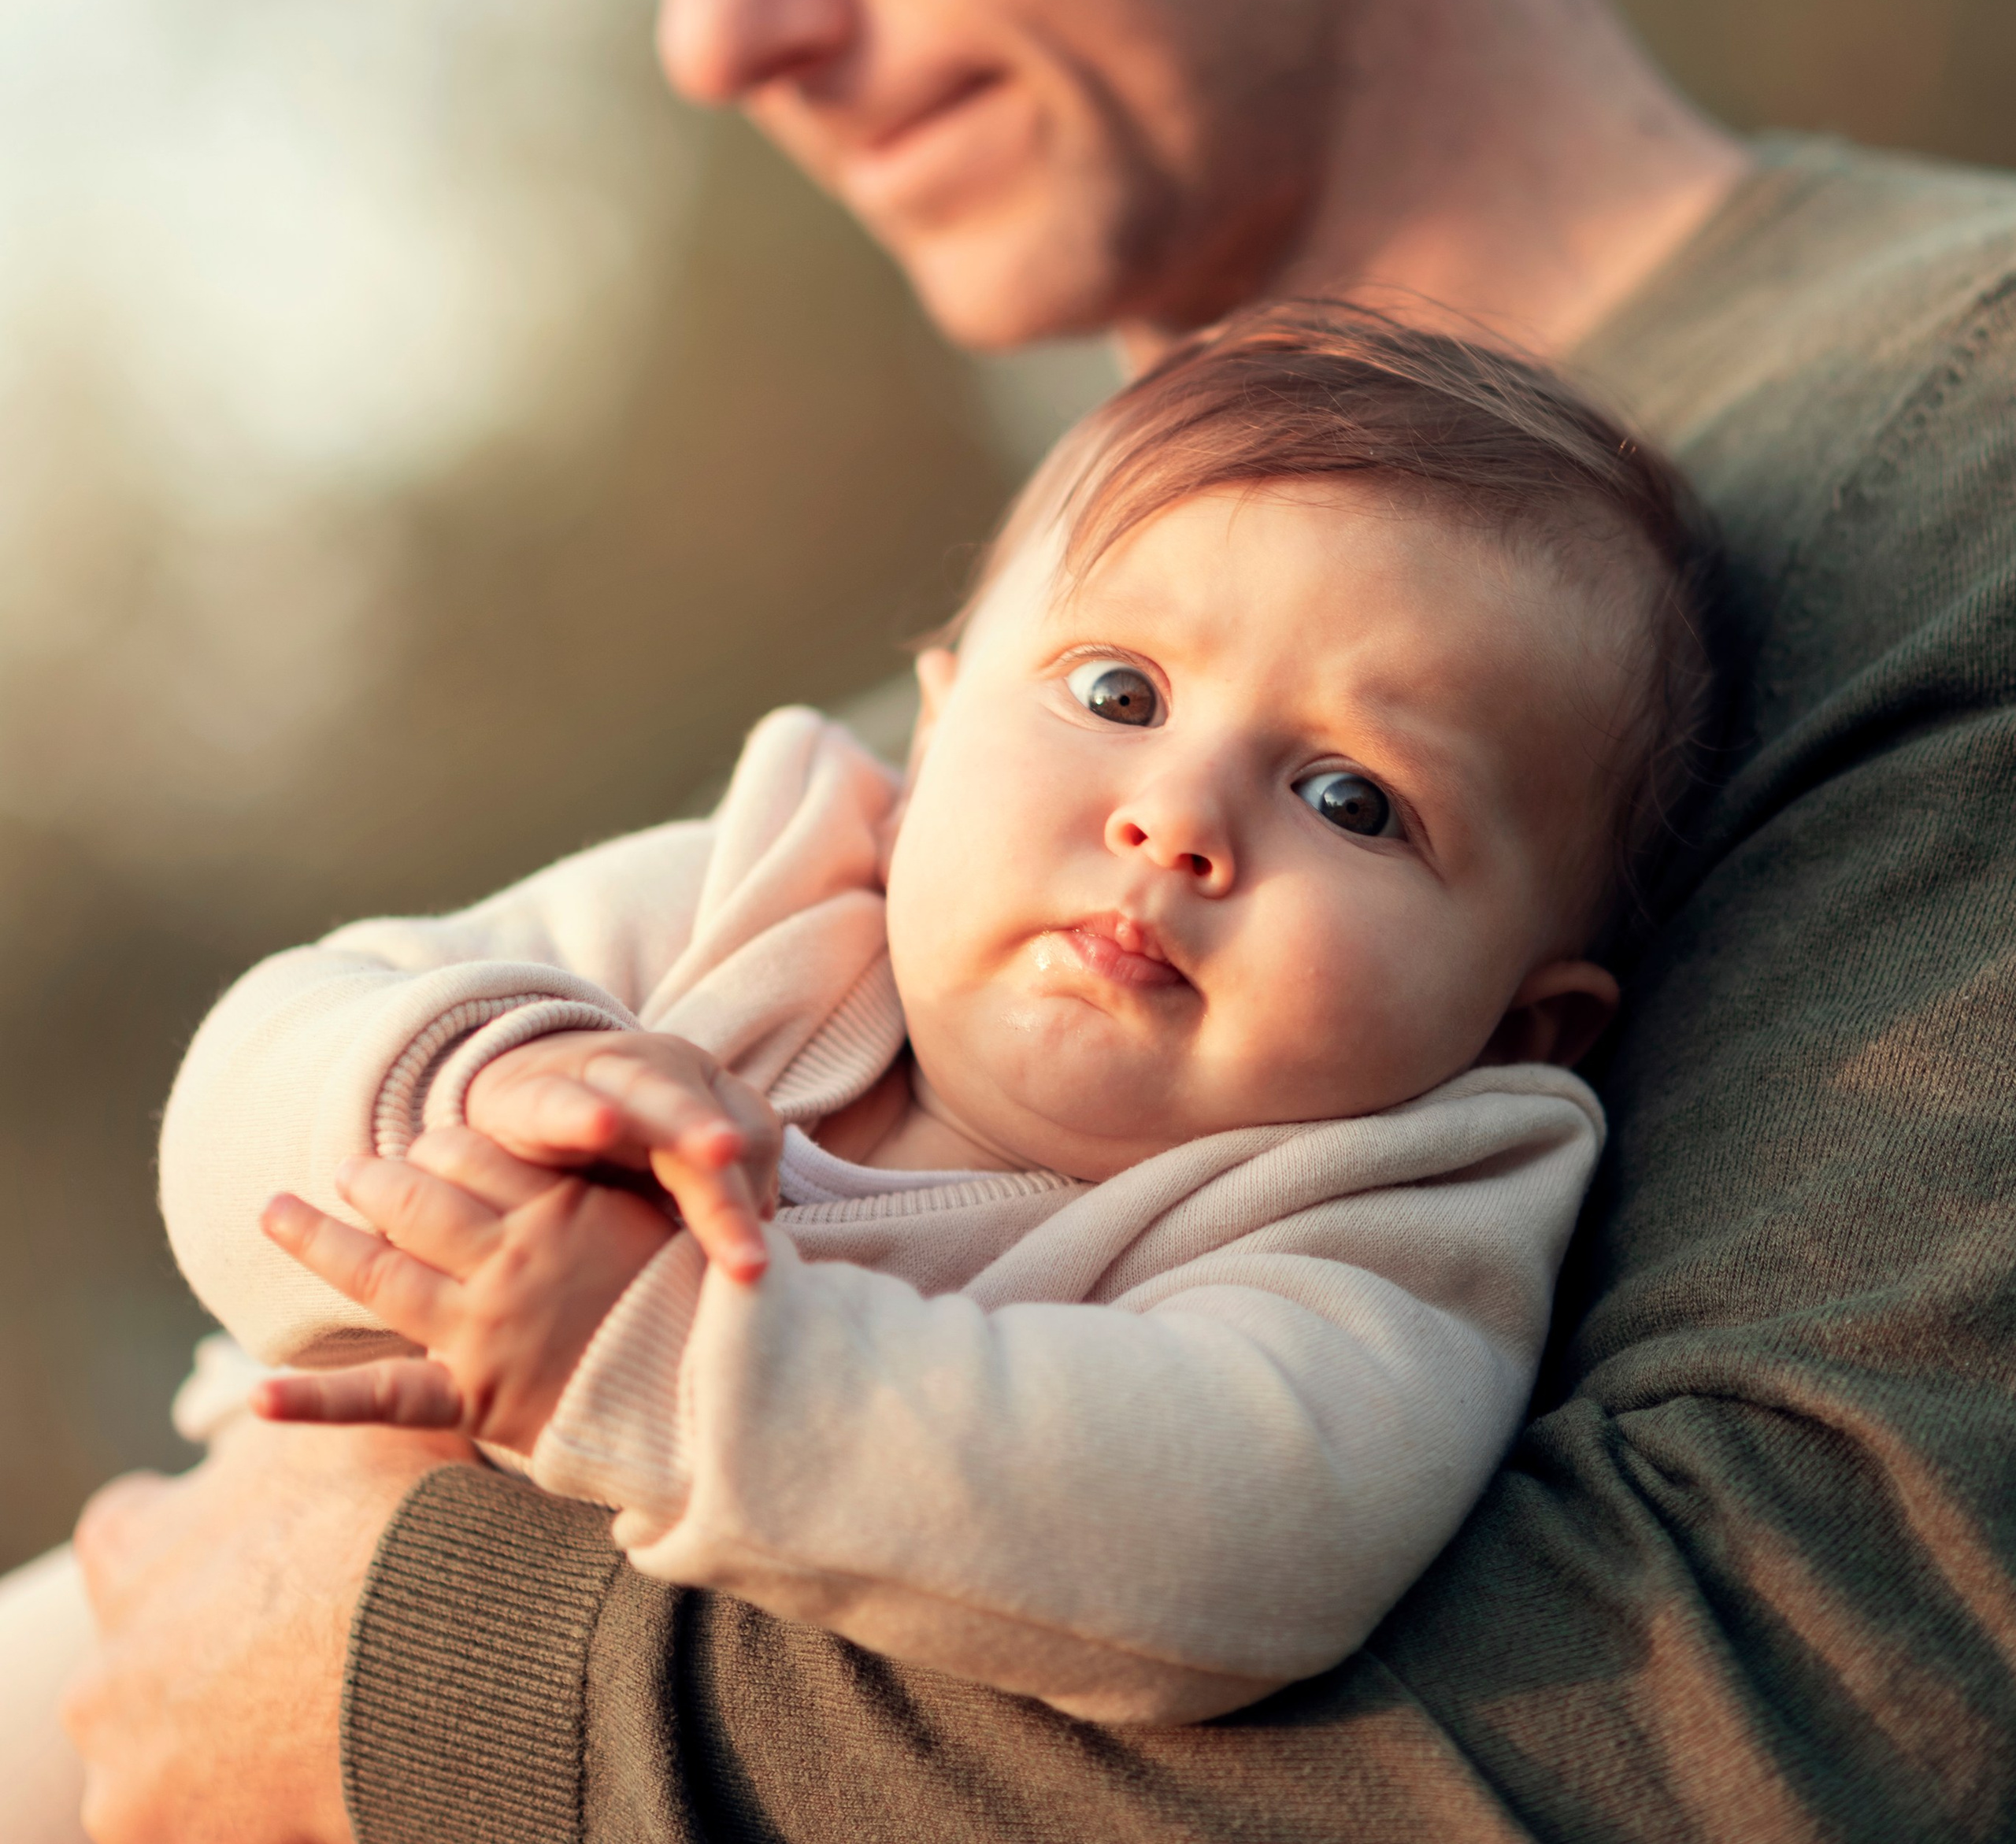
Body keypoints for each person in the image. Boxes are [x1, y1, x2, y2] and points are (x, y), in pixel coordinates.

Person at [60, 0, 2016, 1844]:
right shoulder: (945, 802)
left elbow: (1807, 1698)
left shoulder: (1946, 440)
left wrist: (401, 1695)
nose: (715, 23)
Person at [114, 310, 1704, 1745]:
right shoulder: (753, 890)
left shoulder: (1385, 1217)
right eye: (1116, 692)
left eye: (1350, 799)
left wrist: (665, 1363)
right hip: (173, 1594)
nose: (1174, 817)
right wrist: (488, 1077)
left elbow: (1229, 1541)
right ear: (934, 731)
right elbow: (246, 1098)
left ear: (1522, 1027)